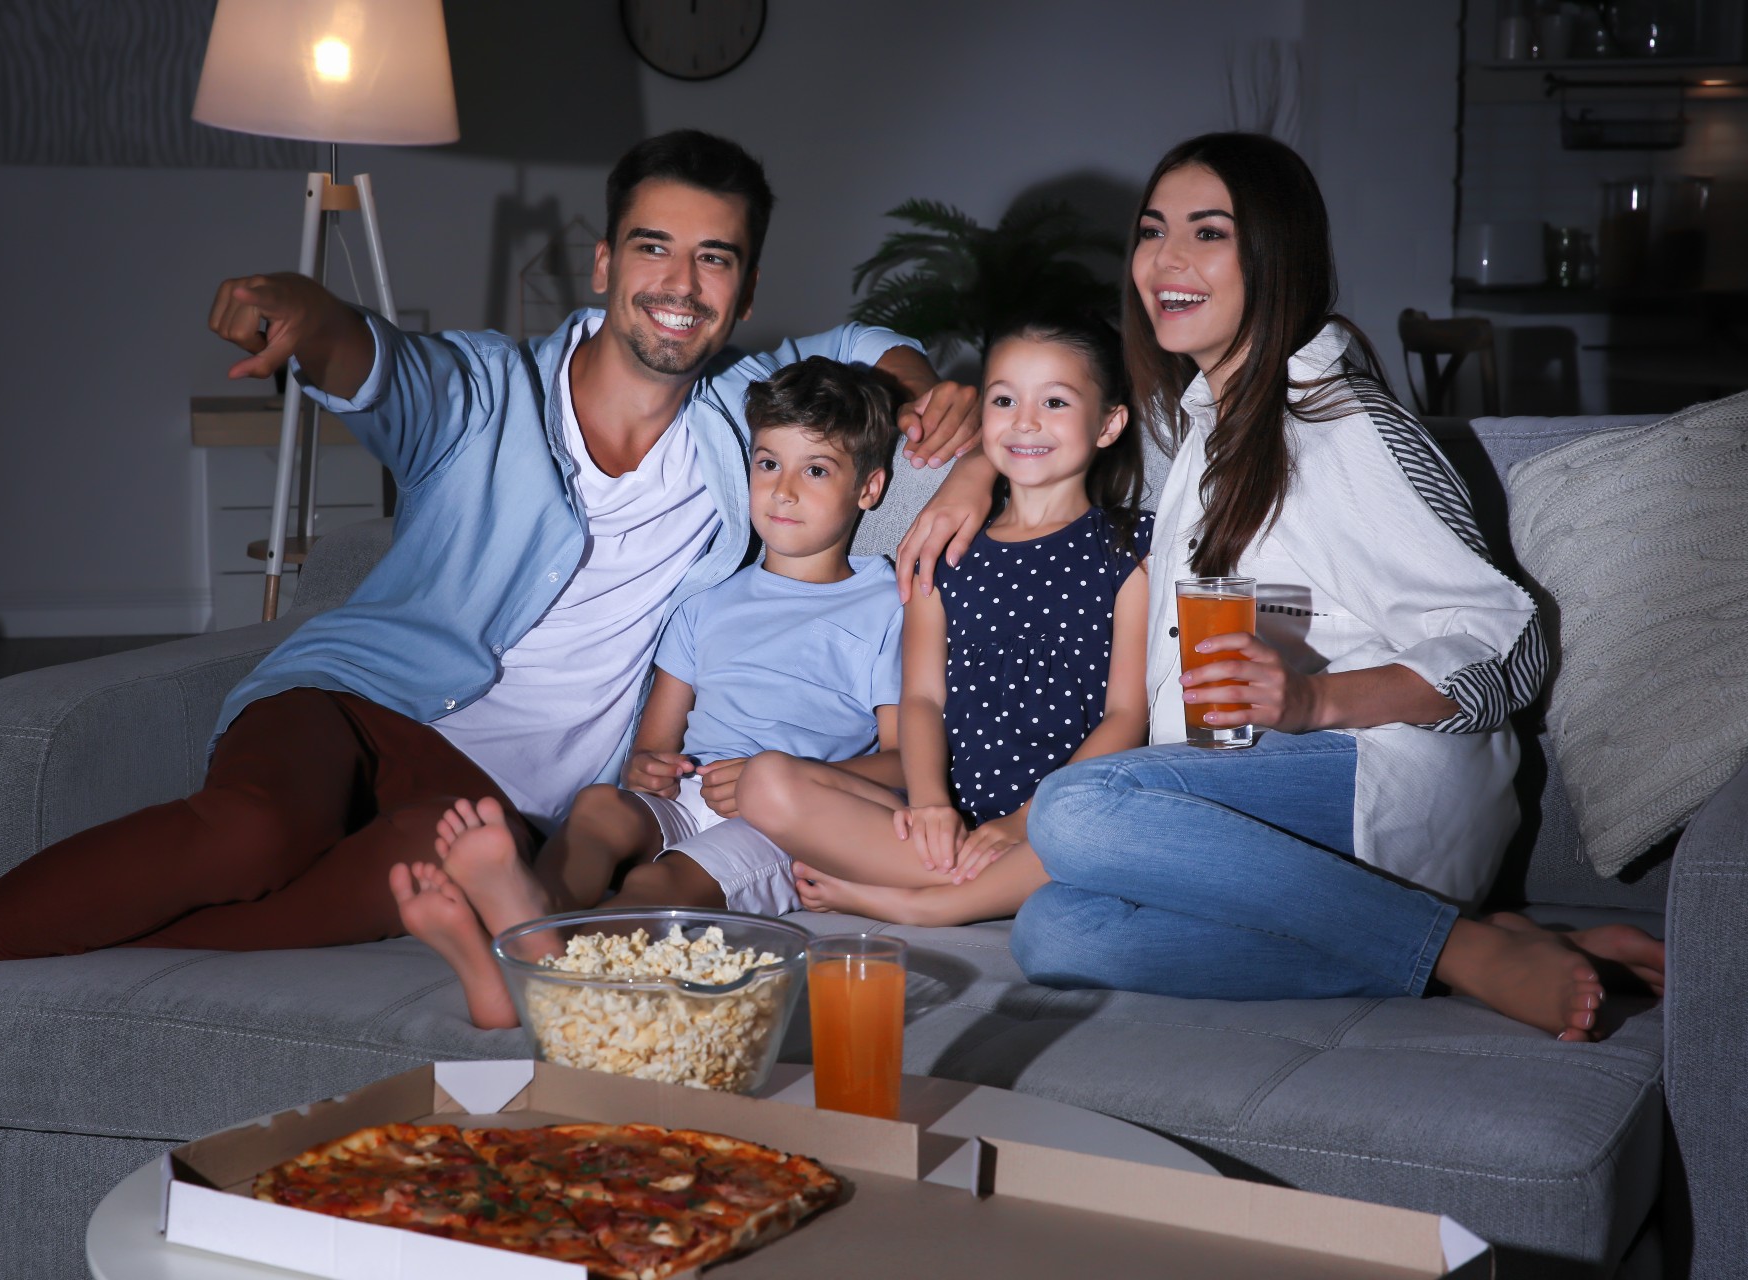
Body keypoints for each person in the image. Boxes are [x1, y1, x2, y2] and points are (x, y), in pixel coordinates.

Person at [0, 130, 992, 1111]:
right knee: (250, 834)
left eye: (713, 257)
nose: (679, 281)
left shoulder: (746, 417)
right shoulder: (487, 389)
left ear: (742, 288)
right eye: (653, 245)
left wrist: (943, 406)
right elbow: (379, 363)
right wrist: (311, 315)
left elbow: (862, 349)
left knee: (413, 870)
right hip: (349, 702)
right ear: (605, 261)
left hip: (491, 803)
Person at [1001, 132, 1663, 1040]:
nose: (1166, 259)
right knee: (1053, 931)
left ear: (1277, 256)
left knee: (1077, 806)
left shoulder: (1342, 424)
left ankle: (1457, 950)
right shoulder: (1208, 424)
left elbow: (1510, 648)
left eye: (1208, 232)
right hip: (1267, 815)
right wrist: (975, 468)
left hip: (1379, 785)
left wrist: (1313, 699)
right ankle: (1488, 942)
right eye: (1153, 232)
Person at [391, 356, 909, 1027]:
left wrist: (783, 776)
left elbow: (904, 764)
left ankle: (524, 971)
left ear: (868, 488)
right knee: (599, 807)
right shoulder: (706, 603)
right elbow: (654, 745)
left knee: (656, 884)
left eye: (815, 470)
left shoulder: (884, 605)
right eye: (767, 463)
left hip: (786, 823)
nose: (782, 491)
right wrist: (647, 767)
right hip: (690, 793)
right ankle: (525, 927)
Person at [735, 312, 1153, 927]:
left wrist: (1026, 821)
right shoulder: (943, 548)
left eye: (1055, 401)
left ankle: (924, 903)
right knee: (765, 781)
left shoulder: (1127, 548)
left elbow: (1126, 716)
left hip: (1064, 813)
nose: (1025, 421)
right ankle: (980, 883)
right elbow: (923, 699)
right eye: (1004, 400)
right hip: (947, 820)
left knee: (1116, 823)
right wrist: (931, 806)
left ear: (1108, 424)